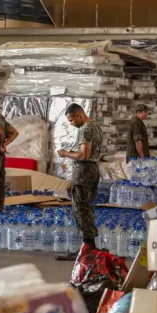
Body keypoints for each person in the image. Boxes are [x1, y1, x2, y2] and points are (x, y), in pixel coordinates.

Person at [57, 103, 102, 261]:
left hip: (83, 172)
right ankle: (91, 247)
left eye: (71, 120)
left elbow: (84, 155)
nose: (71, 123)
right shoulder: (95, 126)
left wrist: (65, 153)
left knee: (80, 209)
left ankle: (87, 248)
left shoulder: (85, 129)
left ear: (78, 115)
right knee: (87, 208)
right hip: (93, 171)